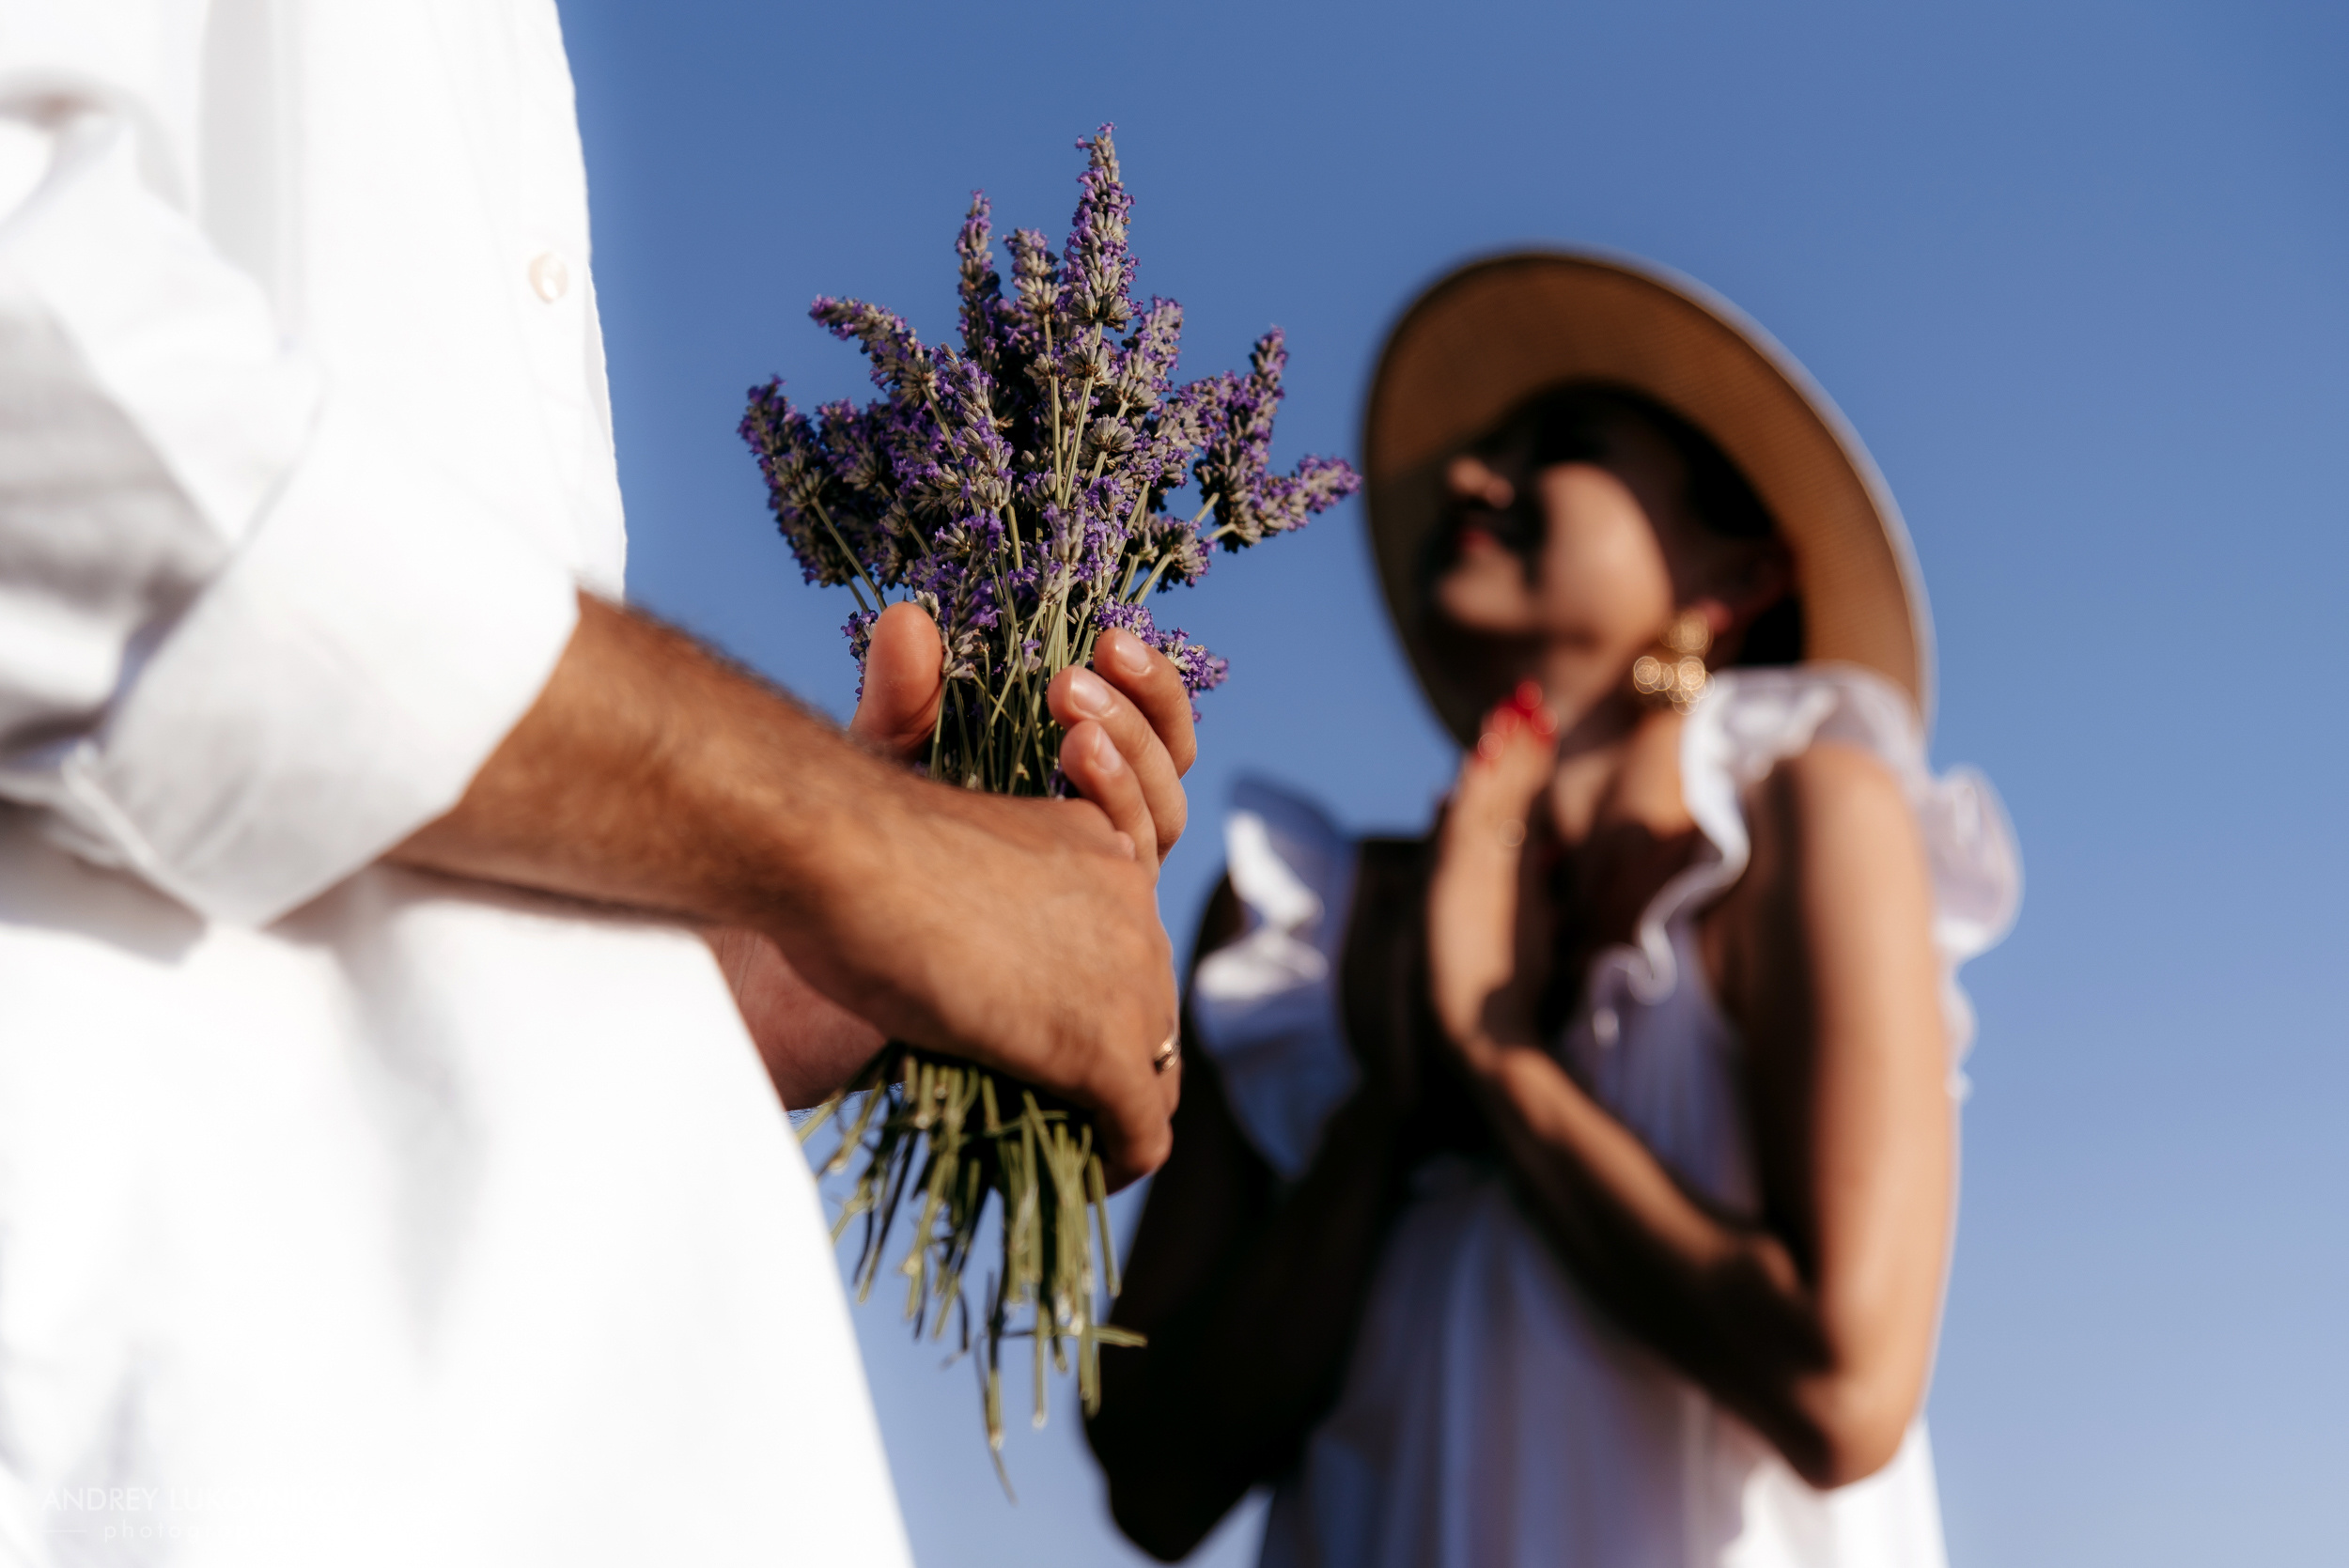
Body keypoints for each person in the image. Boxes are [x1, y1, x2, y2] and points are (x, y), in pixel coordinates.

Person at [0, 6, 1190, 1563]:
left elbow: (398, 788)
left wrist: (745, 955)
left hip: (562, 1424)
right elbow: (56, 404)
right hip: (201, 1398)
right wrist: (859, 849)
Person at [1086, 253, 2021, 1567]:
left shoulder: (1807, 827)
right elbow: (1153, 1479)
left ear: (1733, 575)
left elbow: (1847, 1388)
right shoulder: (1299, 923)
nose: (1472, 479)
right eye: (1479, 453)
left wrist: (1501, 1055)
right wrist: (1394, 1113)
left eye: (1561, 447)